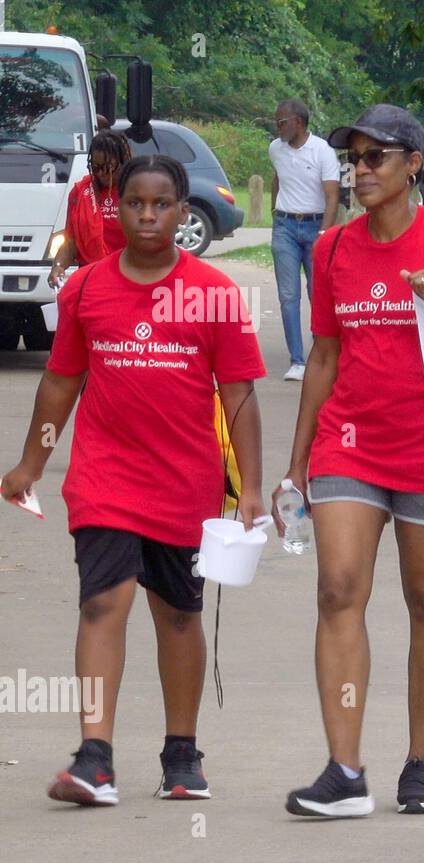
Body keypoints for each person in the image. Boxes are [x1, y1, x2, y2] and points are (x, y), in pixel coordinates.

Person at [1, 154, 267, 806]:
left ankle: (182, 753)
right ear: (115, 209)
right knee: (102, 603)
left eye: (161, 204)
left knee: (178, 616)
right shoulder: (87, 289)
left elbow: (239, 397)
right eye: (135, 204)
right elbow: (62, 381)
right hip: (104, 476)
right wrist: (32, 462)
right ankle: (95, 758)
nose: (147, 215)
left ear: (182, 210)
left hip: (184, 482)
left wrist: (253, 489)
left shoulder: (214, 293)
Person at [276, 105, 424, 818]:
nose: (362, 169)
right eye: (355, 157)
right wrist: (297, 463)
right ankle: (344, 771)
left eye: (377, 156)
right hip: (351, 442)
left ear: (414, 164)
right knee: (338, 588)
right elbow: (324, 355)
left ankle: (421, 764)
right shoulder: (334, 249)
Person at [269, 97, 341, 382]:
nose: (277, 127)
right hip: (285, 226)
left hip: (315, 227)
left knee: (317, 293)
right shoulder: (276, 149)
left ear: (297, 122)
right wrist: (274, 210)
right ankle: (297, 360)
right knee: (288, 295)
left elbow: (332, 195)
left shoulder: (322, 151)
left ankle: (320, 356)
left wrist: (324, 233)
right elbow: (277, 178)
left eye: (282, 122)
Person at [47, 130, 132, 290]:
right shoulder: (80, 193)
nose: (100, 174)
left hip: (129, 281)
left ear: (123, 161)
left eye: (107, 168)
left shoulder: (137, 192)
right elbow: (71, 242)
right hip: (92, 282)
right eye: (95, 167)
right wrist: (58, 266)